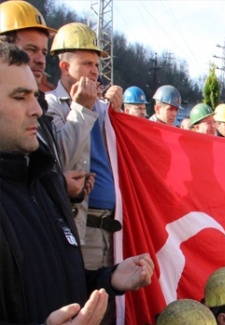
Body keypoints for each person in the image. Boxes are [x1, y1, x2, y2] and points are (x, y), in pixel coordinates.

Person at [0, 42, 153, 324]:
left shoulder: (44, 184)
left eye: (35, 95)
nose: (36, 109)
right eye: (20, 97)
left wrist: (110, 279)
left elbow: (61, 280)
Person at [0, 1, 93, 201]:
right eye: (31, 49)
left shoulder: (40, 107)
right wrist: (60, 184)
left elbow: (40, 174)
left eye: (43, 51)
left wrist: (67, 190)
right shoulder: (48, 104)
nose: (41, 60)